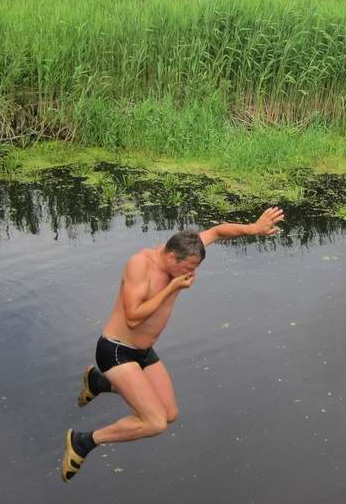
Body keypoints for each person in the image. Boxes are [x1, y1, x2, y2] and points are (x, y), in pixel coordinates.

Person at [61, 206, 286, 482]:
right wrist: (172, 288)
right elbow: (132, 318)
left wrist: (253, 228)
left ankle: (97, 383)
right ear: (170, 256)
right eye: (188, 267)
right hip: (116, 350)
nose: (191, 273)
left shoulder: (185, 248)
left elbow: (216, 232)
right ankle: (83, 441)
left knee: (169, 413)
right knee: (154, 422)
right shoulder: (140, 264)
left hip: (142, 352)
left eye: (194, 267)